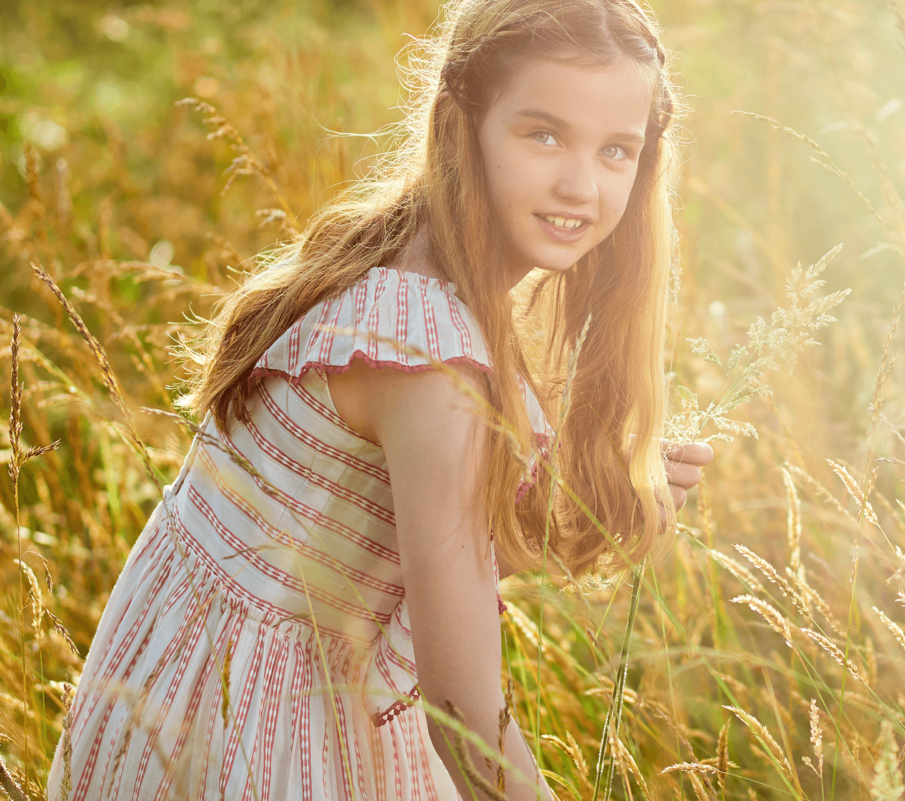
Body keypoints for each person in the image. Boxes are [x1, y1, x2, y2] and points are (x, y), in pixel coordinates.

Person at [47, 0, 713, 798]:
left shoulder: (396, 257)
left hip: (186, 683)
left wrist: (587, 514)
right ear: (460, 124)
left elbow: (389, 545)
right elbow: (464, 714)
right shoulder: (428, 356)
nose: (580, 184)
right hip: (258, 733)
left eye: (616, 151)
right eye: (543, 134)